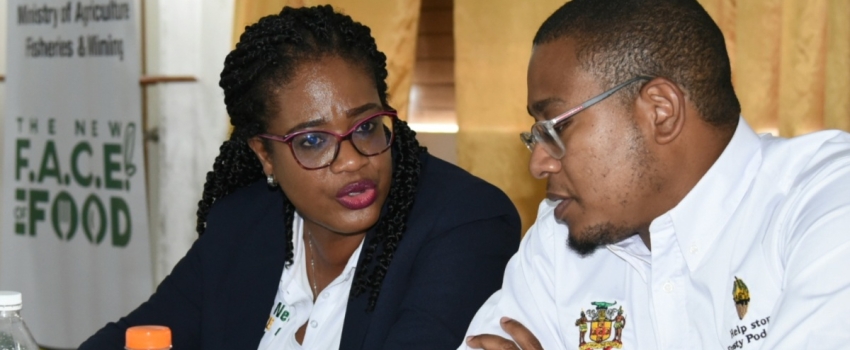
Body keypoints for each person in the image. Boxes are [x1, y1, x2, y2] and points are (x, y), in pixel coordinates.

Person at [79, 5, 521, 350]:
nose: (350, 160)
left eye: (366, 126)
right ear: (264, 155)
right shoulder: (240, 223)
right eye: (312, 140)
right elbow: (139, 335)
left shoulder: (466, 223)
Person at [462, 0, 850, 349]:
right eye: (536, 135)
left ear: (660, 111)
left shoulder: (828, 199)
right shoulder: (559, 236)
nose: (539, 163)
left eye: (556, 127)